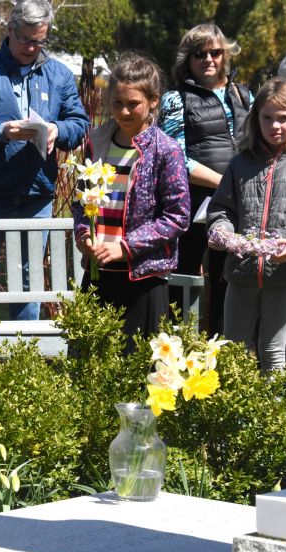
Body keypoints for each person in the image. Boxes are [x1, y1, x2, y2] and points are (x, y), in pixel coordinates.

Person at [0, 0, 90, 322]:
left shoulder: (59, 75)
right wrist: (1, 131)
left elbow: (79, 123)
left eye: (39, 40)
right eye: (25, 38)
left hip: (36, 192)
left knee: (28, 282)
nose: (31, 47)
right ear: (9, 30)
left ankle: (24, 355)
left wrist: (58, 129)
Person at [73, 53, 190, 354]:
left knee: (135, 372)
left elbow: (177, 217)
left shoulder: (166, 150)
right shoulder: (96, 142)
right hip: (98, 272)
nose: (123, 111)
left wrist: (126, 247)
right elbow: (81, 201)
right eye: (116, 103)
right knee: (89, 367)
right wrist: (84, 234)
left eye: (133, 103)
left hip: (143, 278)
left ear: (153, 100)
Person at [158, 24, 254, 334]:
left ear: (226, 55)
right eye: (200, 53)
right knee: (184, 276)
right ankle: (178, 348)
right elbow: (175, 158)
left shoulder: (244, 94)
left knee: (227, 277)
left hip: (237, 203)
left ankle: (222, 351)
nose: (209, 59)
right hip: (193, 203)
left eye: (215, 52)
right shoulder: (175, 99)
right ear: (187, 58)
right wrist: (225, 182)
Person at [207, 78, 286, 374]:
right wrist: (221, 230)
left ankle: (270, 417)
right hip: (241, 272)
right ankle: (230, 418)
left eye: (284, 118)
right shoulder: (241, 163)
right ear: (256, 119)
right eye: (267, 118)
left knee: (272, 349)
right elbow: (221, 209)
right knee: (233, 349)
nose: (275, 126)